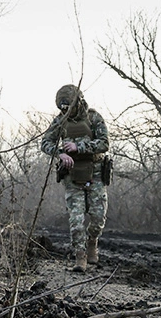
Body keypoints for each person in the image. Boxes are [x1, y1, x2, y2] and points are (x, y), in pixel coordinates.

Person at [40, 84, 111, 272]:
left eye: (68, 107)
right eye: (62, 108)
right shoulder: (60, 121)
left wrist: (80, 148)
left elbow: (104, 143)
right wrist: (60, 153)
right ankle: (80, 256)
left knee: (98, 218)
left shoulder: (94, 118)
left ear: (77, 102)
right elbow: (45, 142)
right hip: (72, 175)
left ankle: (92, 243)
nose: (65, 111)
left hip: (95, 173)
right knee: (76, 220)